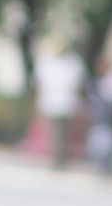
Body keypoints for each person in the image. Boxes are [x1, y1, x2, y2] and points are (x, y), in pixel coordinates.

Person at [33, 39, 86, 169]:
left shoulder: (72, 62)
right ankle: (57, 158)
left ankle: (62, 158)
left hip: (67, 100)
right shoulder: (46, 61)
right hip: (52, 100)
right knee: (54, 132)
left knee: (64, 132)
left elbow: (78, 82)